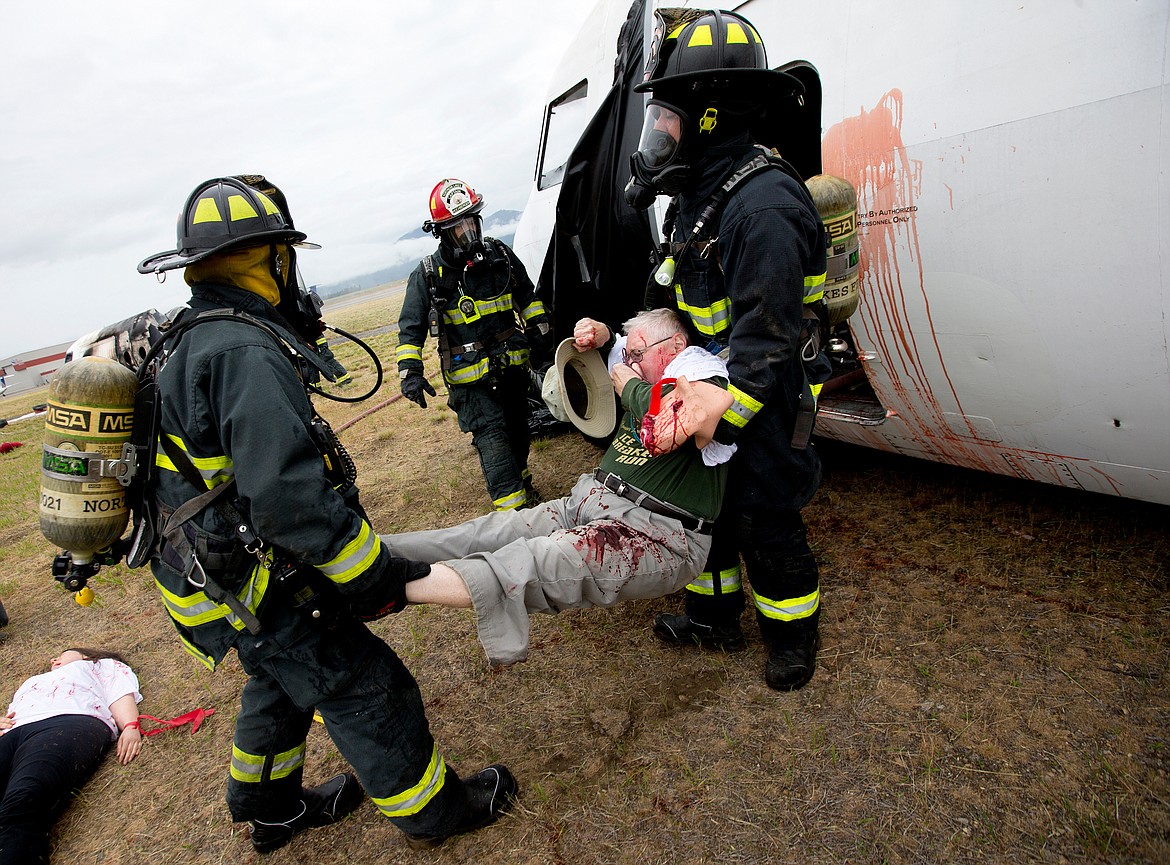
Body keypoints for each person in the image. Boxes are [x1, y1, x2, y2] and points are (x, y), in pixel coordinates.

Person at [135, 176, 516, 853]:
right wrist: (371, 575)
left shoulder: (194, 336)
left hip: (208, 580)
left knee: (280, 680)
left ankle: (268, 806)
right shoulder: (242, 351)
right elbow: (289, 502)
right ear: (267, 259)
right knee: (364, 682)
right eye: (285, 256)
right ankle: (435, 812)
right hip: (254, 586)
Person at [624, 10, 829, 691]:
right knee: (705, 516)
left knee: (764, 521)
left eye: (669, 118)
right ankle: (713, 620)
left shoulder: (762, 206)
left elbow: (767, 344)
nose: (659, 134)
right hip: (713, 386)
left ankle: (791, 638)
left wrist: (715, 420)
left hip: (761, 399)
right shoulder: (698, 198)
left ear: (712, 116)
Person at [390, 309, 732, 667]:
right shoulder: (650, 366)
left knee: (532, 562)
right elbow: (617, 355)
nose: (629, 365)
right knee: (487, 532)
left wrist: (630, 386)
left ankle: (380, 587)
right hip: (593, 500)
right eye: (628, 356)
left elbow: (695, 412)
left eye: (637, 355)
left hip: (653, 531)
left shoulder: (702, 371)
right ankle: (368, 554)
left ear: (677, 345)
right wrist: (604, 336)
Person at [396, 178, 550, 512]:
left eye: (472, 222)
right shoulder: (428, 275)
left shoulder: (501, 257)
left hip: (511, 369)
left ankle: (522, 484)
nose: (468, 233)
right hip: (471, 383)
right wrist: (410, 371)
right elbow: (410, 328)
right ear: (442, 232)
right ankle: (515, 517)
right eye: (458, 227)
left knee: (519, 433)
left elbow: (527, 296)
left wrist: (540, 331)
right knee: (493, 443)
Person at [0, 648, 143, 864]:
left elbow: (119, 694)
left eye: (64, 654)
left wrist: (130, 726)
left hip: (70, 721)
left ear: (87, 656)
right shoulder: (33, 681)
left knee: (24, 797)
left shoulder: (101, 666)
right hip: (15, 731)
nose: (53, 658)